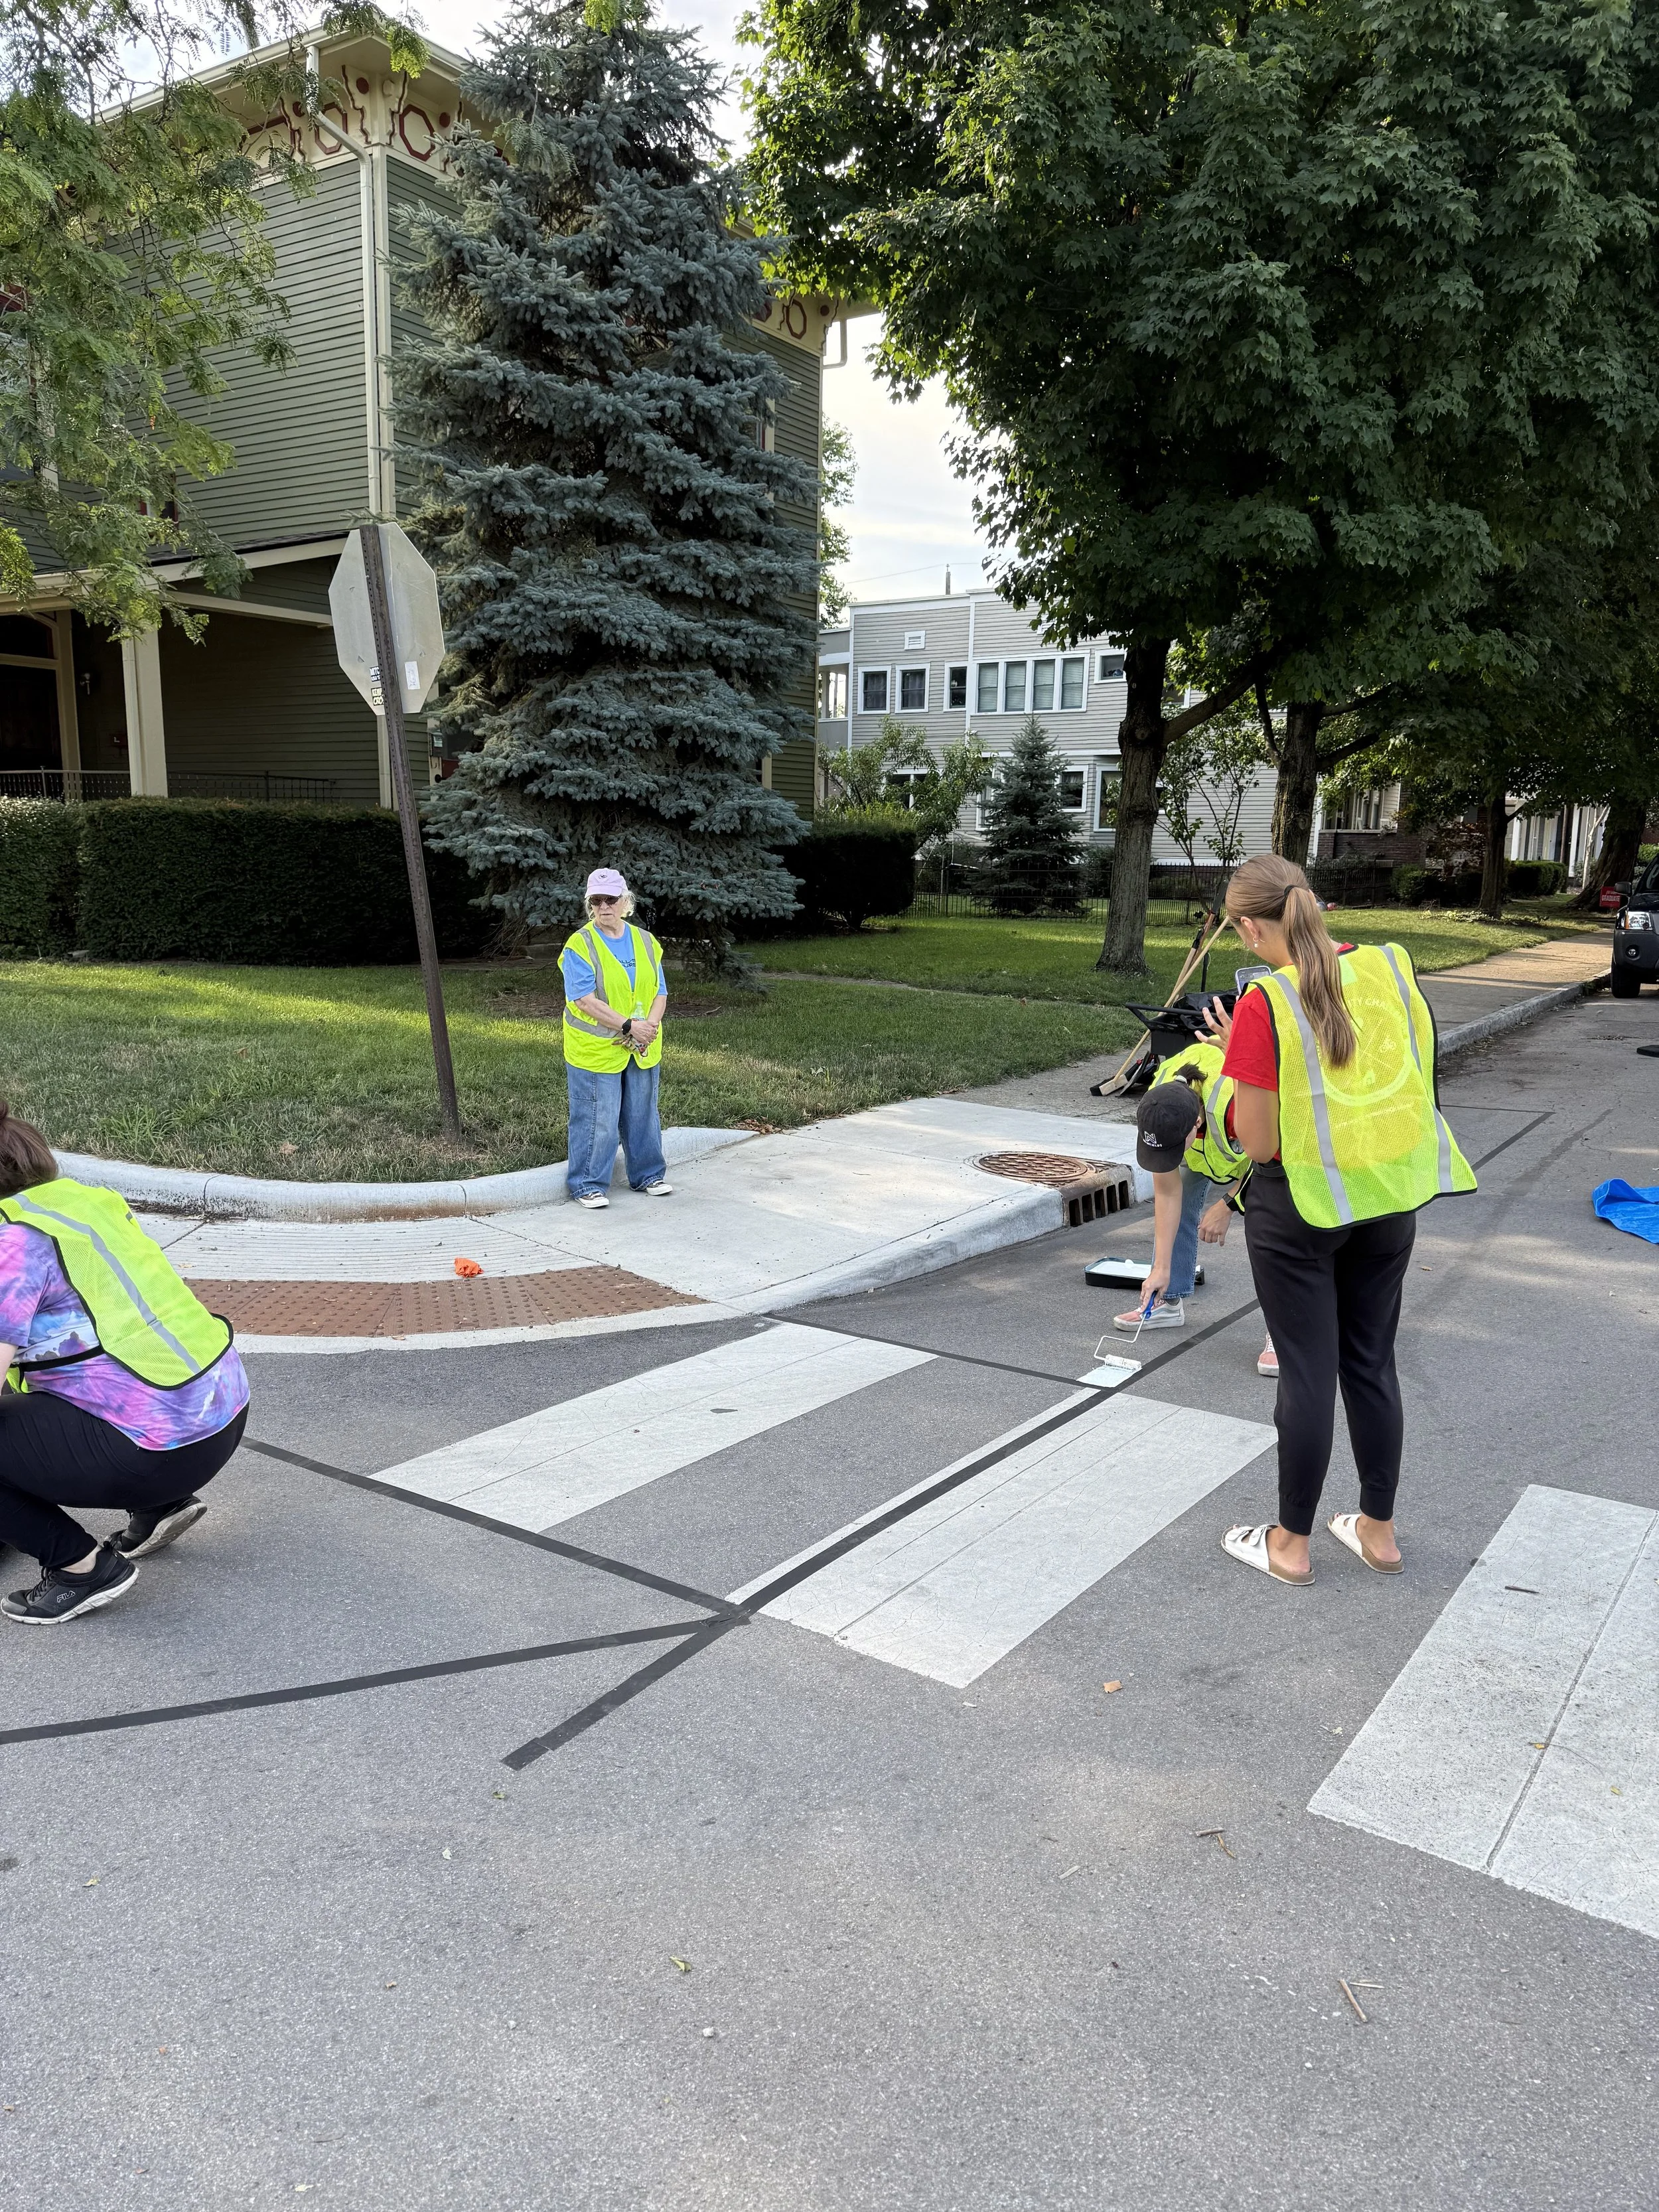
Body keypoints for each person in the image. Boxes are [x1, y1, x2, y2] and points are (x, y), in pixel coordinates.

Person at [1210, 856, 1476, 1585]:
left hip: (1297, 1208)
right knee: (1370, 1363)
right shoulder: (1392, 967)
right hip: (1386, 1196)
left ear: (1247, 925)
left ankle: (1289, 1546)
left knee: (1305, 1376)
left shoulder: (1265, 1003)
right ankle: (1377, 1533)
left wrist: (1223, 1065)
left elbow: (1257, 1142)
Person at [0, 1103, 250, 1624]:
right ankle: (160, 1506)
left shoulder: (12, 1245)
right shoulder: (86, 1204)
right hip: (218, 1418)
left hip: (155, 1449)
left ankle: (80, 1567)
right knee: (67, 1384)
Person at [1112, 1047, 1277, 1375]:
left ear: (1197, 1124)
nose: (1167, 1158)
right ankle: (1168, 1301)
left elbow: (1273, 1157)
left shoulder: (1233, 1104)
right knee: (1182, 1187)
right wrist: (1160, 1268)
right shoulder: (1160, 1104)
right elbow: (1167, 1192)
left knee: (1272, 1226)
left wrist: (1229, 1203)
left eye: (1174, 1148)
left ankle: (1285, 1332)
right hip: (1210, 1153)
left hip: (1270, 1154)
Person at [561, 869, 672, 1212]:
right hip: (597, 1048)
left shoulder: (645, 940)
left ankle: (648, 1175)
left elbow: (660, 992)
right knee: (599, 1117)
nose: (605, 906)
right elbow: (583, 999)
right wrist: (629, 1026)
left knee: (643, 1114)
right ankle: (587, 1185)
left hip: (641, 1043)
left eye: (611, 899)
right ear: (590, 906)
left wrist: (648, 1028)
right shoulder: (580, 944)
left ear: (626, 902)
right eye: (597, 900)